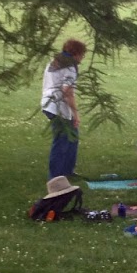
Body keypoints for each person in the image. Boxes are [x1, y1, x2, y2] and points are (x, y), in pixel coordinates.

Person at [41, 38, 85, 180]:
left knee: (73, 137)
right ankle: (55, 177)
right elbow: (67, 91)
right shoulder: (70, 67)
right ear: (76, 53)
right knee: (61, 141)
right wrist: (75, 113)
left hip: (48, 103)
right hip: (57, 107)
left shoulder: (54, 63)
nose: (82, 59)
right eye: (82, 55)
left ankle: (67, 170)